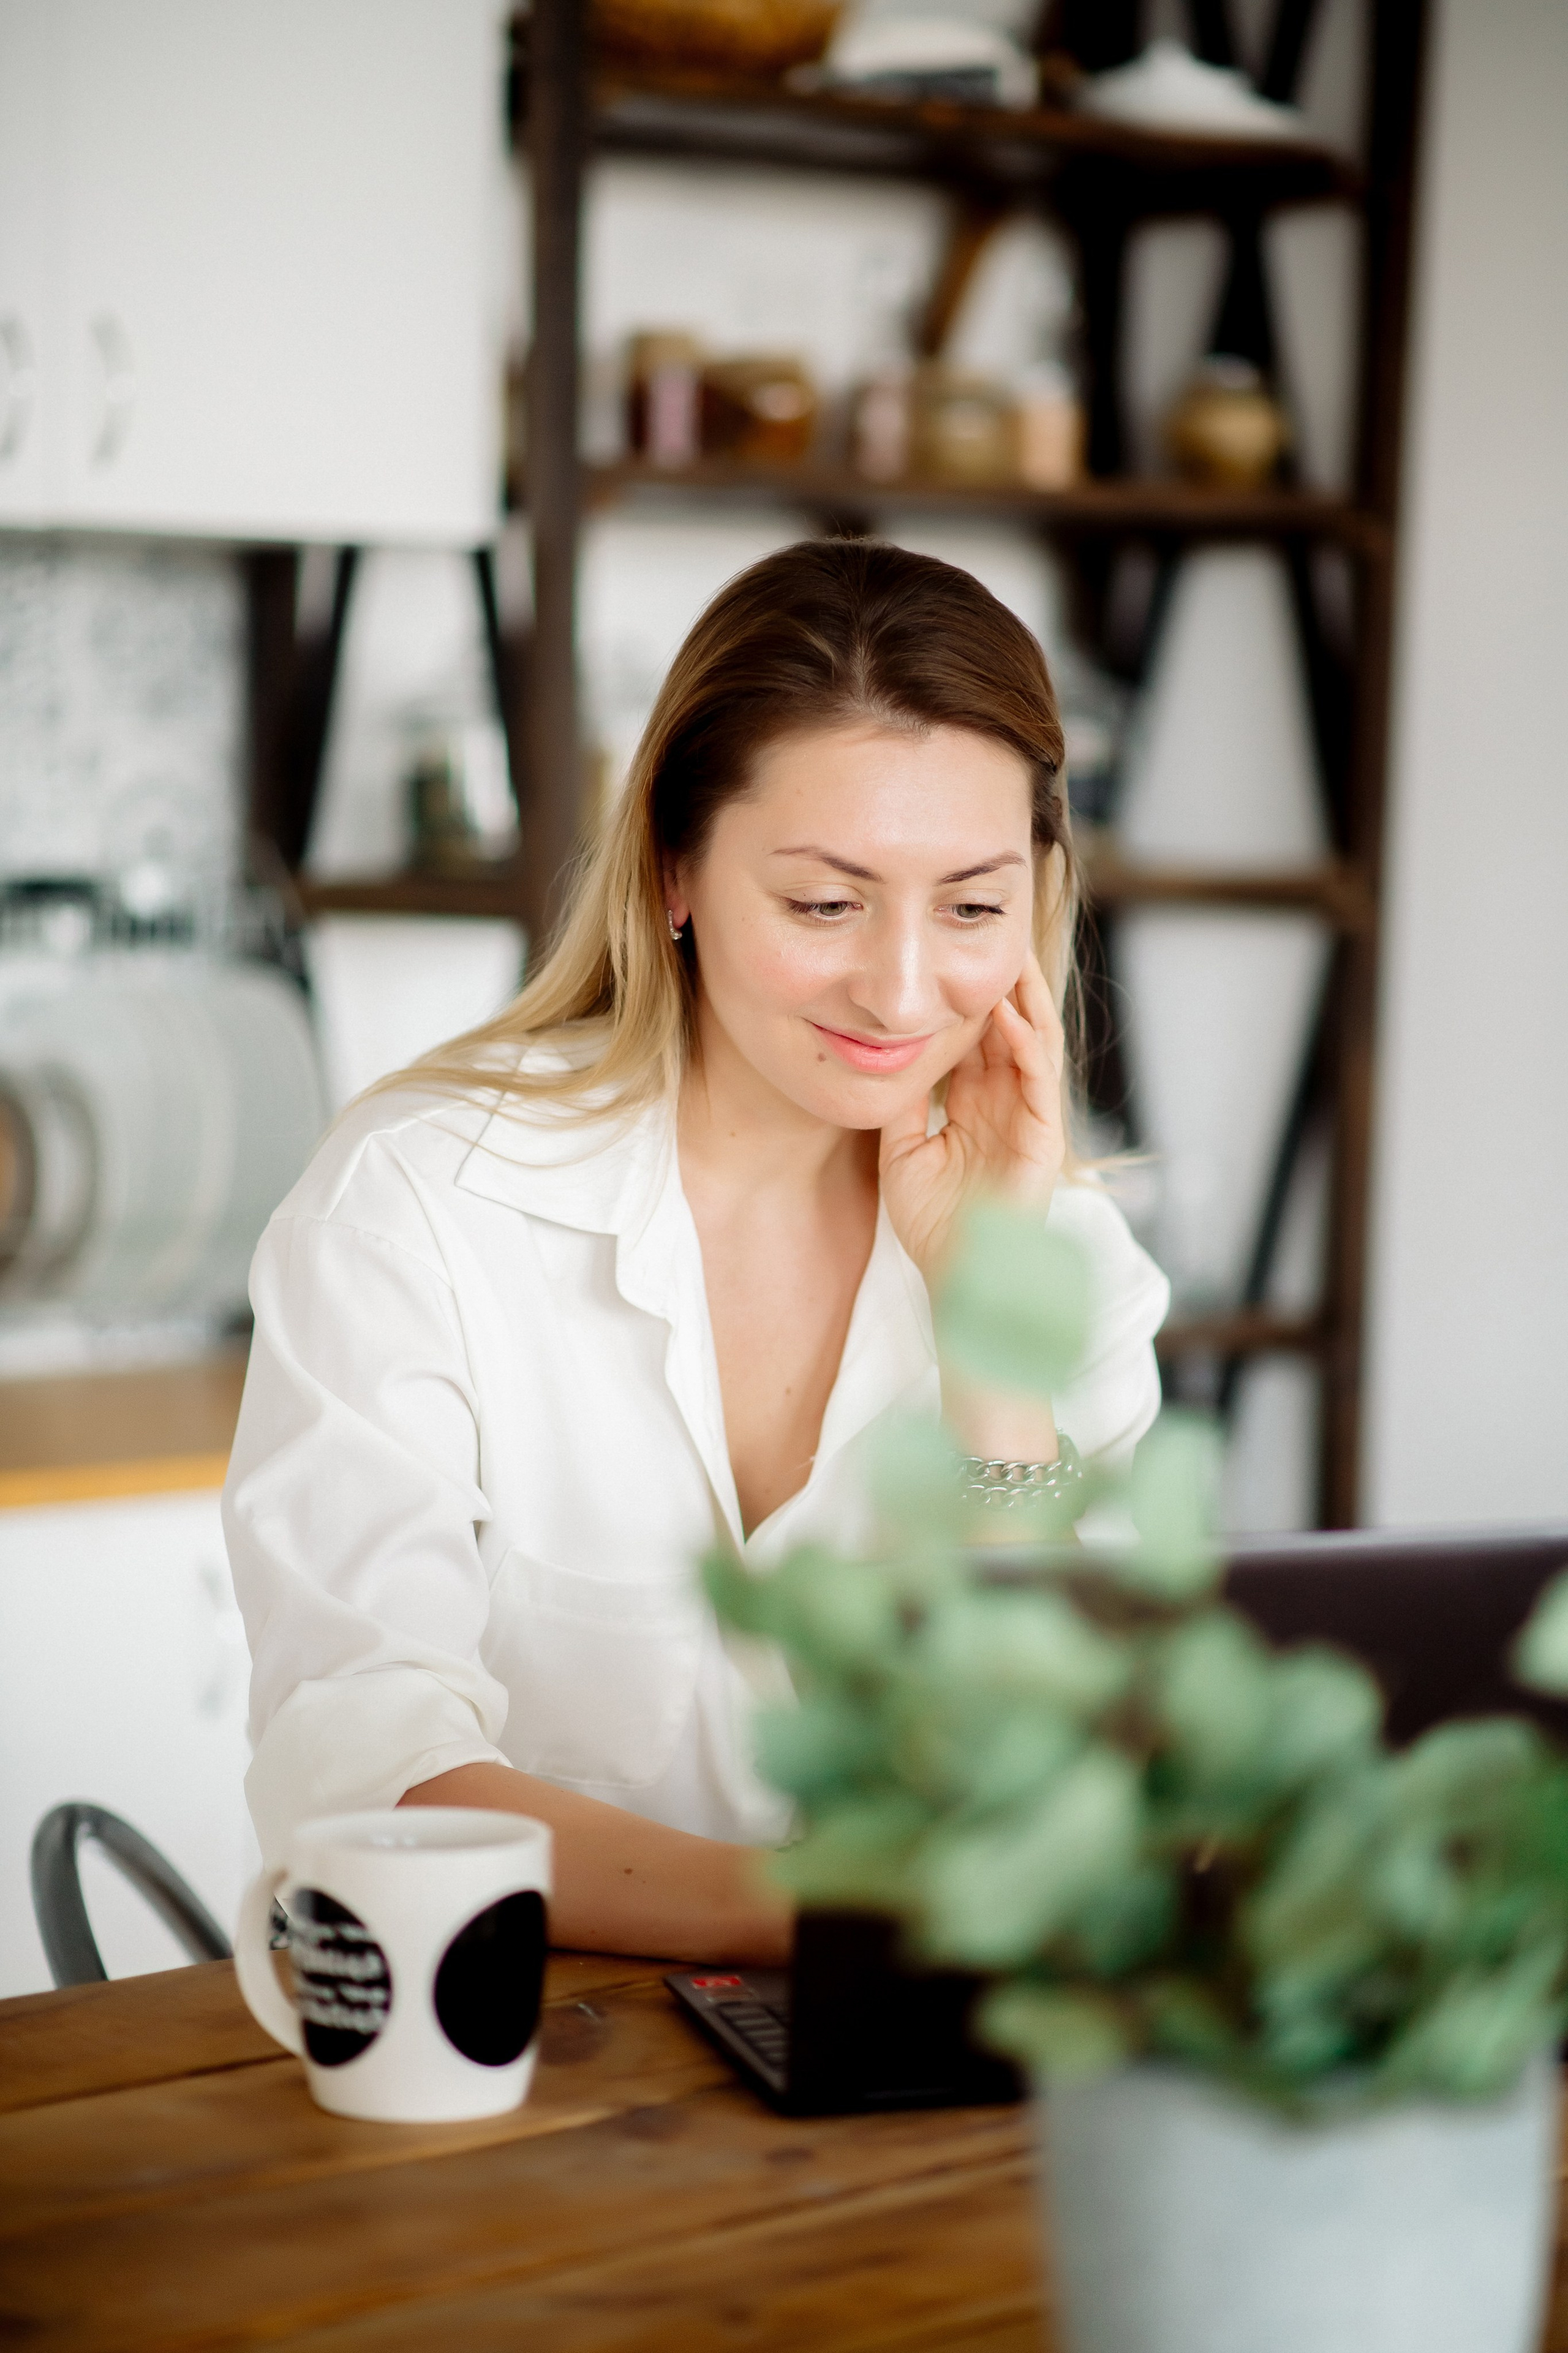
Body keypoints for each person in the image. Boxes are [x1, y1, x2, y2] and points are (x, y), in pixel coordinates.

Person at [224, 538, 1169, 1964]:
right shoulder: (417, 1202)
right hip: (513, 2045)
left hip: (920, 2060)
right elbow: (359, 1767)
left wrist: (991, 1346)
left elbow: (1080, 1789)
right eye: (824, 903)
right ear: (674, 867)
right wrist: (805, 1910)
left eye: (971, 907)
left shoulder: (1066, 1258)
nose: (900, 989)